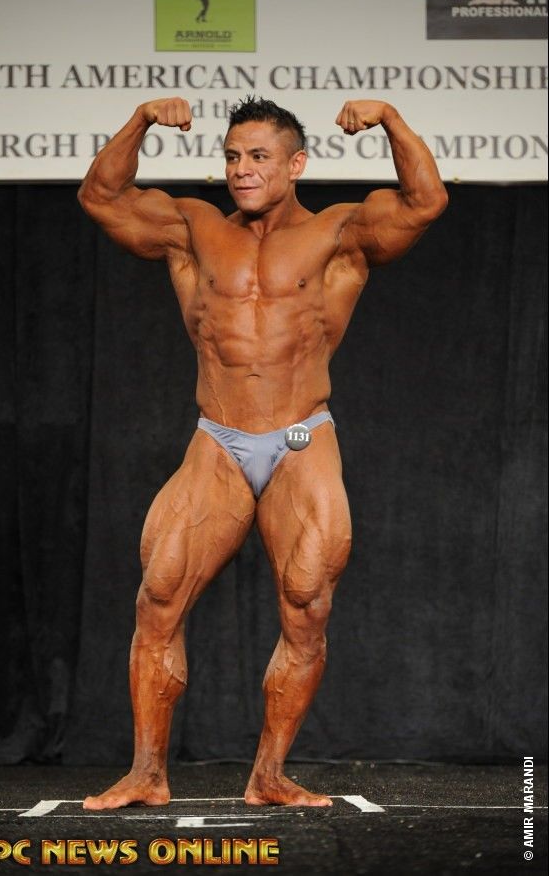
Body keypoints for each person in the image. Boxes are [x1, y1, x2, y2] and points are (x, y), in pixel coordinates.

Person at [78, 95, 448, 809]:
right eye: (232, 157)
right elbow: (101, 196)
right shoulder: (195, 228)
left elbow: (425, 202)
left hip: (300, 435)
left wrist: (391, 120)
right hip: (218, 437)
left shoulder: (338, 232)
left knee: (306, 602)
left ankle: (269, 775)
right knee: (159, 595)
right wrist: (142, 120)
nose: (241, 169)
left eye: (258, 157)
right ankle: (147, 773)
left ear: (296, 164)